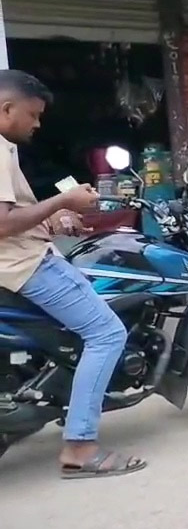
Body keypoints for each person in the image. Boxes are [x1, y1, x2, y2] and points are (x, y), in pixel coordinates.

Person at [0, 70, 144, 478]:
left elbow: (14, 217)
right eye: (33, 114)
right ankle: (80, 446)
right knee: (107, 333)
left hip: (14, 261)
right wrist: (64, 198)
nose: (38, 123)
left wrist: (54, 220)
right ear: (6, 108)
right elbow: (3, 224)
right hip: (25, 266)